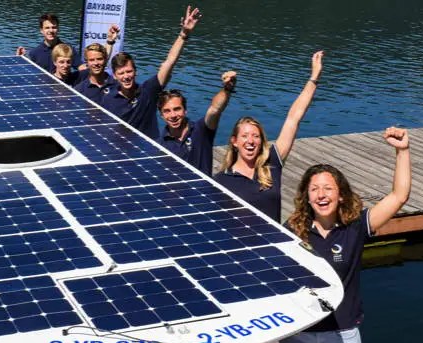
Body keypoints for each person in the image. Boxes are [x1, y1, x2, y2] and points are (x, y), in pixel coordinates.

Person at [281, 127, 411, 343]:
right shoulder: (292, 231)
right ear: (306, 195)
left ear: (341, 194)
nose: (322, 195)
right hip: (299, 337)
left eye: (328, 188)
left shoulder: (354, 229)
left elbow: (399, 196)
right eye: (315, 189)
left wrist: (402, 151)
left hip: (342, 338)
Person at [214, 51, 324, 222]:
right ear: (234, 142)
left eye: (255, 136)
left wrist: (314, 77)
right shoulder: (221, 180)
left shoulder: (271, 163)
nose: (250, 141)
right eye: (245, 136)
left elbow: (294, 118)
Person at [100, 5, 201, 140]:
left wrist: (183, 35)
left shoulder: (148, 91)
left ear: (135, 72)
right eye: (121, 73)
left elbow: (169, 62)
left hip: (148, 151)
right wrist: (109, 42)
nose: (126, 77)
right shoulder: (108, 98)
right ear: (114, 75)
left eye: (129, 71)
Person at [157, 71, 236, 175]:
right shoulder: (159, 145)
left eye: (177, 109)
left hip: (204, 189)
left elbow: (215, 109)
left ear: (185, 110)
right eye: (167, 111)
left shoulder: (202, 130)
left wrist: (227, 89)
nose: (173, 115)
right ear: (161, 115)